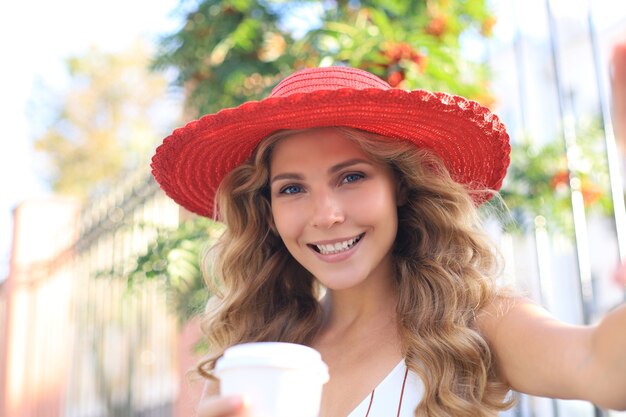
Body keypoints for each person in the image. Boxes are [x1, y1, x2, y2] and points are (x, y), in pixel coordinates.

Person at [151, 66, 626, 417]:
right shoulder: (257, 357)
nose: (326, 215)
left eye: (352, 176)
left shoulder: (476, 322)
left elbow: (601, 366)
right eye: (292, 188)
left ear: (399, 185)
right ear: (268, 211)